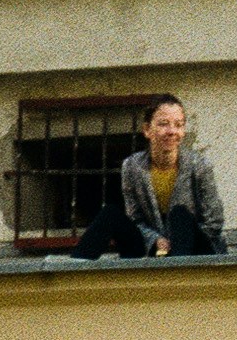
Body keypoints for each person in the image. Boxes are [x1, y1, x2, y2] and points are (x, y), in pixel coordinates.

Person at [69, 95, 226, 258]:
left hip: (196, 251)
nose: (172, 131)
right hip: (153, 249)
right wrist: (156, 240)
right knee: (110, 213)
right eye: (163, 124)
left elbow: (214, 221)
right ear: (147, 130)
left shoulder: (199, 165)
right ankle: (71, 274)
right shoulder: (132, 166)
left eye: (178, 125)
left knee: (180, 214)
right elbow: (135, 218)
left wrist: (176, 240)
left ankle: (178, 274)